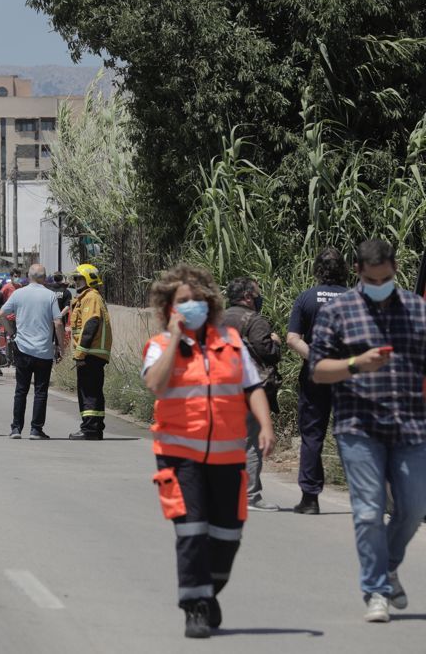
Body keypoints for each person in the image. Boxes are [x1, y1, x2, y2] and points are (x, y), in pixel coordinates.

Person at [143, 264, 275, 638]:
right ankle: (195, 608)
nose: (191, 306)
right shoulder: (158, 347)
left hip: (227, 458)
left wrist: (265, 426)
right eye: (182, 301)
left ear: (210, 303)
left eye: (197, 300)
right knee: (192, 533)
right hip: (178, 457)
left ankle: (208, 591)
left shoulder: (230, 342)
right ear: (168, 307)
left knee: (227, 537)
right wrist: (174, 338)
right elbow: (155, 383)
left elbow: (253, 388)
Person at [309, 239, 426, 624]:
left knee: (413, 510)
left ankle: (389, 566)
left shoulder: (416, 309)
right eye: (375, 279)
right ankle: (375, 590)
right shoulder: (339, 312)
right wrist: (356, 364)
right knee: (368, 511)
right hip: (358, 426)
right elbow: (318, 369)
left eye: (388, 278)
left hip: (410, 425)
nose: (382, 284)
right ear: (358, 272)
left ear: (395, 269)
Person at [286, 248, 348, 514]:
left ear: (316, 269)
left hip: (316, 375)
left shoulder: (306, 298)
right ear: (344, 270)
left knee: (312, 436)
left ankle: (310, 499)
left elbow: (292, 339)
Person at [223, 277, 282, 513]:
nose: (258, 297)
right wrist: (275, 342)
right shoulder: (254, 321)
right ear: (248, 296)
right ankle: (250, 495)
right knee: (251, 441)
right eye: (256, 293)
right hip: (248, 389)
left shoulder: (220, 318)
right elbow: (267, 352)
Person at [0, 264, 65, 440]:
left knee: (21, 389)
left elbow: (1, 315)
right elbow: (58, 323)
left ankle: (16, 428)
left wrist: (12, 333)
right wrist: (61, 347)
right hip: (44, 351)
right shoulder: (50, 295)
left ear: (28, 276)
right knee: (41, 391)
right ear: (44, 278)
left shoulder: (18, 294)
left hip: (23, 348)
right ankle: (36, 429)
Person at [68, 264, 112, 440]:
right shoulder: (88, 297)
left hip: (90, 354)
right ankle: (95, 427)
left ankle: (89, 429)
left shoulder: (91, 297)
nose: (76, 281)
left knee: (88, 392)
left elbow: (91, 324)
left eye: (79, 278)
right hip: (93, 353)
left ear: (88, 279)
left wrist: (80, 353)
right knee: (93, 391)